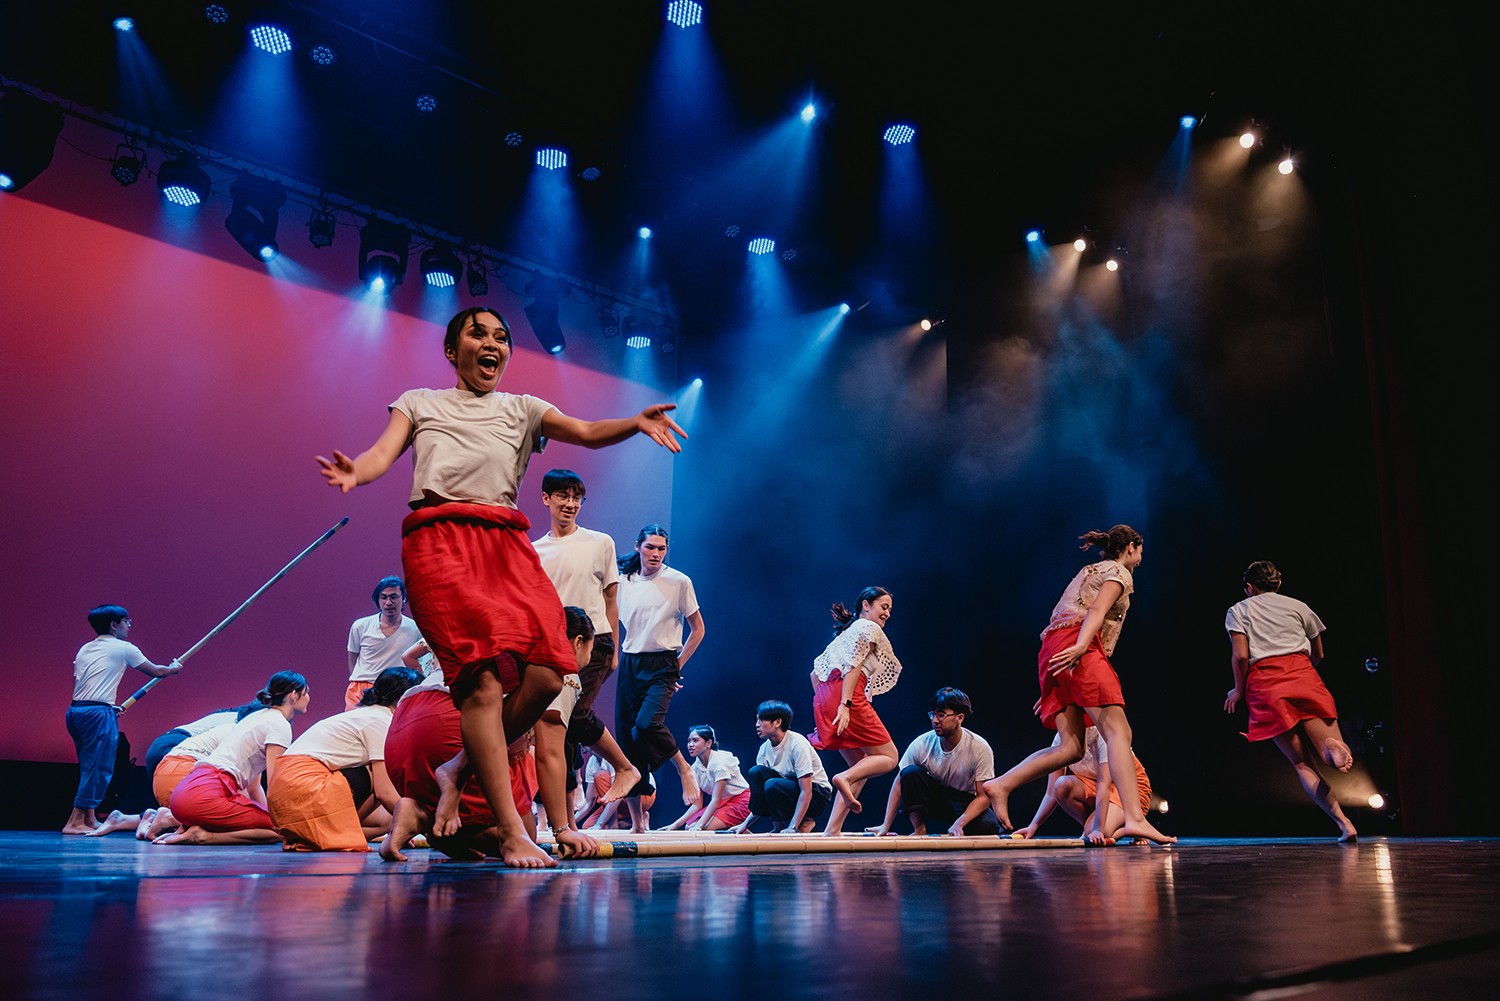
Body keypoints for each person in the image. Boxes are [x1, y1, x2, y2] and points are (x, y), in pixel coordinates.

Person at [316, 305, 685, 868]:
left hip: (506, 542)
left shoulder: (523, 409)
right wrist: (356, 472)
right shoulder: (419, 402)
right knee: (482, 685)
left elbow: (586, 432)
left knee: (550, 671)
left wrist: (633, 423)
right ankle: (512, 829)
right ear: (452, 350)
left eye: (501, 337)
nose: (492, 344)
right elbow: (381, 453)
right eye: (477, 334)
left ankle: (458, 767)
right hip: (441, 539)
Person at [981, 526, 1175, 845]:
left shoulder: (1089, 569)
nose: (1141, 559)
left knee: (1071, 748)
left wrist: (1061, 680)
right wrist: (1081, 646)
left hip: (1053, 647)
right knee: (1119, 733)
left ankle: (1003, 783)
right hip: (1078, 644)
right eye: (1140, 551)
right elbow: (1096, 610)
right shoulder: (1119, 572)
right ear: (1130, 546)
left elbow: (1061, 614)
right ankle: (1135, 818)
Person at [379, 606, 602, 864]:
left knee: (483, 829)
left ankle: (425, 815)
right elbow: (549, 754)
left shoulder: (507, 635)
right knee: (522, 835)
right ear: (578, 642)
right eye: (592, 649)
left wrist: (624, 767)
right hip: (454, 725)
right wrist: (562, 830)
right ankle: (423, 818)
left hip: (403, 729)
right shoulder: (560, 664)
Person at [531, 468, 643, 805]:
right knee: (557, 723)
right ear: (546, 498)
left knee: (576, 713)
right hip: (554, 647)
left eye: (576, 497)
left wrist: (614, 650)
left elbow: (611, 599)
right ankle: (565, 817)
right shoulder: (535, 551)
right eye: (562, 496)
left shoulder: (600, 542)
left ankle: (625, 768)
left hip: (594, 641)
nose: (570, 503)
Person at [1224, 560, 1357, 842]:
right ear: (1279, 583)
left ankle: (1345, 824)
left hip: (1268, 686)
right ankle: (1331, 748)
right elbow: (1318, 653)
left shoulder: (1238, 610)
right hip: (1303, 675)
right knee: (1329, 755)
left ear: (1249, 587)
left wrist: (1238, 690)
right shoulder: (1299, 606)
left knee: (1302, 764)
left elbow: (1241, 656)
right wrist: (1302, 671)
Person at [267, 666, 422, 851]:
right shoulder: (380, 721)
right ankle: (315, 835)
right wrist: (421, 825)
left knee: (386, 821)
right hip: (302, 789)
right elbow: (384, 792)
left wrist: (399, 830)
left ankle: (311, 837)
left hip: (285, 800)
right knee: (379, 775)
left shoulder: (365, 715)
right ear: (404, 699)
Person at [614, 524, 704, 832]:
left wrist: (676, 667)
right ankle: (638, 823)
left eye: (661, 548)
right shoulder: (624, 580)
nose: (655, 553)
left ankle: (684, 769)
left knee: (647, 724)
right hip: (630, 663)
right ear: (637, 546)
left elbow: (698, 630)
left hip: (663, 662)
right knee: (628, 741)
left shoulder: (679, 581)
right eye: (650, 547)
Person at [63, 604, 183, 835]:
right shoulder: (123, 647)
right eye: (126, 621)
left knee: (90, 768)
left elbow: (88, 683)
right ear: (113, 624)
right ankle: (74, 822)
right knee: (98, 769)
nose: (129, 625)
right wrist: (173, 668)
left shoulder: (86, 648)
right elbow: (157, 671)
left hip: (77, 711)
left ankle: (89, 819)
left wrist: (107, 706)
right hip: (96, 714)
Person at [154, 672, 311, 845]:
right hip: (206, 793)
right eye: (306, 692)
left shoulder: (257, 716)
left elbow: (254, 786)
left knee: (271, 824)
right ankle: (203, 836)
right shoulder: (280, 725)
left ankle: (188, 826)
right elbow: (275, 783)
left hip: (184, 791)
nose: (308, 698)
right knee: (282, 830)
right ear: (293, 696)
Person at [808, 586, 903, 835]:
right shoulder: (867, 628)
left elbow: (814, 675)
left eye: (890, 609)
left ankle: (832, 830)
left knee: (861, 765)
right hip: (846, 695)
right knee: (889, 757)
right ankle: (843, 778)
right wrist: (845, 705)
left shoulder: (846, 634)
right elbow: (854, 666)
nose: (888, 613)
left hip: (825, 696)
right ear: (866, 605)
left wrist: (825, 711)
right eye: (884, 607)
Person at [867, 687, 1000, 837]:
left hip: (963, 802)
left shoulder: (979, 747)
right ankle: (919, 829)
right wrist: (886, 825)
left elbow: (983, 796)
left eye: (941, 715)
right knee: (910, 773)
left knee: (989, 826)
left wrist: (960, 823)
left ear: (960, 718)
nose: (935, 720)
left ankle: (956, 827)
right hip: (935, 800)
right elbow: (899, 783)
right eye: (933, 715)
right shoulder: (922, 743)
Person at [1013, 725, 1153, 844]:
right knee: (1061, 785)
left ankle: (1131, 827)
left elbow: (1104, 784)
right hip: (1095, 787)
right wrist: (1033, 825)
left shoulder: (1101, 733)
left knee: (1096, 832)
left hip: (1129, 790)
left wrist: (1098, 829)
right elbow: (1051, 793)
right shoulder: (1061, 738)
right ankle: (1095, 828)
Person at [729, 700, 833, 835]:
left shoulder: (798, 744)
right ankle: (779, 826)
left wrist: (792, 827)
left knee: (773, 784)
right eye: (756, 720)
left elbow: (806, 791)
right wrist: (744, 825)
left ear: (778, 722)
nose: (757, 724)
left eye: (761, 720)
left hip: (817, 795)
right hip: (789, 788)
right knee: (756, 772)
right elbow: (760, 798)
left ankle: (804, 820)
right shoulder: (764, 749)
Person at [344, 576, 423, 711]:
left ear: (403, 598)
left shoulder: (415, 629)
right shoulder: (361, 625)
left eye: (393, 597)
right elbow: (353, 658)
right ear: (378, 599)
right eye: (384, 597)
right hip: (362, 689)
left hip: (395, 690)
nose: (388, 602)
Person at [661, 725, 752, 832]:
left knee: (705, 828)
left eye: (695, 741)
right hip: (722, 803)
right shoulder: (695, 768)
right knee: (689, 826)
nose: (690, 745)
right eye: (689, 741)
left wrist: (699, 826)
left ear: (708, 743)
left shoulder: (721, 763)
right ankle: (741, 832)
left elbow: (715, 800)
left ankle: (743, 834)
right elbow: (697, 805)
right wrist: (674, 825)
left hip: (741, 801)